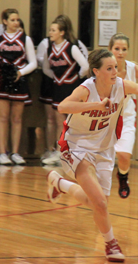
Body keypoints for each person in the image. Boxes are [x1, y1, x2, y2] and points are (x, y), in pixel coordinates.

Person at [46, 49, 138, 262]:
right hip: (77, 147)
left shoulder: (121, 86)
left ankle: (60, 183)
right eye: (109, 68)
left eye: (116, 68)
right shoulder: (86, 89)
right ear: (96, 72)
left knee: (97, 204)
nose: (115, 71)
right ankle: (111, 244)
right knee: (99, 202)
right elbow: (63, 106)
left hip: (104, 149)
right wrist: (96, 105)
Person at [108, 32, 138, 198]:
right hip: (106, 118)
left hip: (127, 117)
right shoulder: (104, 68)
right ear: (110, 50)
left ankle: (123, 177)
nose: (120, 52)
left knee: (124, 156)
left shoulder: (133, 69)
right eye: (117, 48)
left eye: (124, 49)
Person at [0, 9, 37, 165]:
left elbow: (33, 63)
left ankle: (15, 152)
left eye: (17, 20)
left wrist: (20, 72)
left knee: (17, 119)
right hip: (2, 83)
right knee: (2, 118)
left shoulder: (26, 39)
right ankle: (2, 153)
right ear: (5, 21)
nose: (16, 23)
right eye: (12, 20)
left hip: (20, 81)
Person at [41, 14, 89, 165]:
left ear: (61, 32)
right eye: (50, 30)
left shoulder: (71, 47)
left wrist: (75, 78)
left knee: (71, 121)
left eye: (53, 30)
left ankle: (73, 151)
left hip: (71, 88)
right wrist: (56, 77)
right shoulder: (49, 49)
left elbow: (85, 66)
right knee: (58, 121)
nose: (50, 33)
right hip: (58, 87)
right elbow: (45, 69)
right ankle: (59, 150)